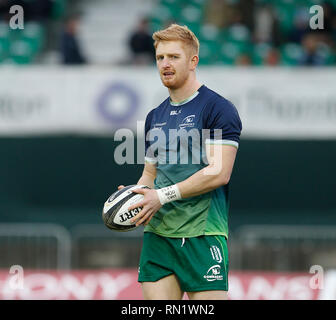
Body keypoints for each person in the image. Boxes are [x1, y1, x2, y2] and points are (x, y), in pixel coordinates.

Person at [119, 24, 242, 300]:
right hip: (158, 237)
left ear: (193, 60)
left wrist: (160, 197)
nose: (165, 64)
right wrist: (136, 196)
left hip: (203, 234)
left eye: (173, 57)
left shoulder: (218, 109)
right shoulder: (154, 116)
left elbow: (219, 173)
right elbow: (149, 173)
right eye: (160, 58)